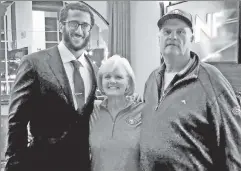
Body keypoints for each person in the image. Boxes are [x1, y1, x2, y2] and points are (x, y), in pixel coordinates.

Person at [140, 9, 241, 171]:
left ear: (192, 38)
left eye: (180, 32)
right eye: (167, 31)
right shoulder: (152, 78)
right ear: (158, 39)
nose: (173, 36)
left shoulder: (211, 79)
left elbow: (234, 145)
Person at [5, 3, 98, 171]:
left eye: (85, 25)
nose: (79, 30)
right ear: (61, 25)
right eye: (73, 23)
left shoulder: (93, 68)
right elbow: (17, 122)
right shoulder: (34, 63)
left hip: (82, 164)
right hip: (42, 163)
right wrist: (15, 164)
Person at [89, 55, 144, 171]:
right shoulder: (91, 111)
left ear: (128, 82)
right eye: (107, 77)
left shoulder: (143, 112)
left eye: (118, 77)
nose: (112, 81)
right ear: (101, 82)